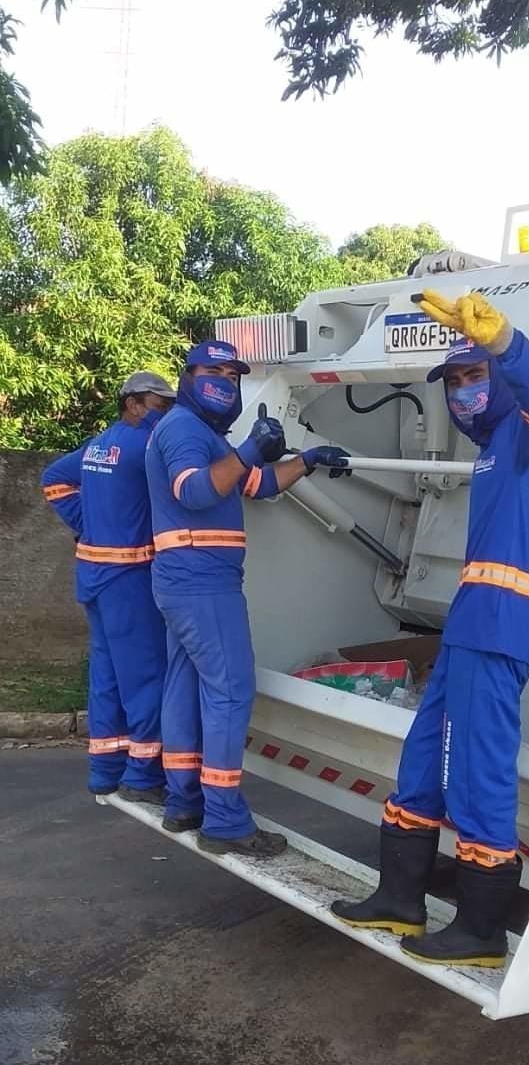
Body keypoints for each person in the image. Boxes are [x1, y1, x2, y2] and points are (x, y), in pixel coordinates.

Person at [332, 290, 529, 967]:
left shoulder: (522, 434)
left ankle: (482, 931)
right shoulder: (492, 451)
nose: (462, 393)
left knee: (478, 777)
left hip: (496, 634)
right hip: (469, 631)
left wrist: (504, 345)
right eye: (454, 382)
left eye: (473, 377)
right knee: (421, 766)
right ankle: (401, 899)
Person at [146, 338, 349, 858]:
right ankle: (226, 821)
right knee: (230, 693)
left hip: (188, 583)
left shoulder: (202, 434)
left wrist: (305, 460)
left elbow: (255, 484)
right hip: (202, 585)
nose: (227, 382)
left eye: (234, 375)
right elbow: (194, 491)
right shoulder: (185, 430)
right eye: (215, 371)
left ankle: (185, 802)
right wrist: (246, 450)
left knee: (185, 688)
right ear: (188, 375)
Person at [41, 372, 176, 803]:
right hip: (128, 579)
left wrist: (87, 524)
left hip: (95, 577)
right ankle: (141, 776)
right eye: (159, 405)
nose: (164, 414)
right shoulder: (144, 448)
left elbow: (53, 480)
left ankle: (105, 770)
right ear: (133, 403)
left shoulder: (100, 445)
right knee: (144, 676)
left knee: (106, 677)